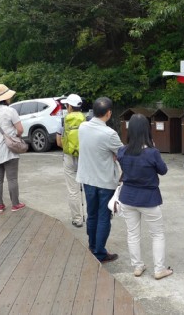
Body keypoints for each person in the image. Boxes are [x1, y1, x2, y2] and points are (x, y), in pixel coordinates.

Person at [117, 114, 173, 280]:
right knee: (157, 234)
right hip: (149, 199)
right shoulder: (152, 152)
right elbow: (163, 170)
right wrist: (152, 148)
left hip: (127, 197)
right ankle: (159, 269)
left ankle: (137, 266)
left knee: (132, 233)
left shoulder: (122, 151)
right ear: (147, 130)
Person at [76, 97, 123, 263]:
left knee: (92, 214)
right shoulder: (110, 134)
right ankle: (100, 252)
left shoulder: (82, 127)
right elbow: (121, 153)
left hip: (87, 179)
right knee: (104, 216)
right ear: (109, 113)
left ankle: (92, 246)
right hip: (104, 181)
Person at [0, 84, 26, 212]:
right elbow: (20, 130)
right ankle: (15, 204)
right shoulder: (10, 111)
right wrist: (15, 136)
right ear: (5, 98)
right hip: (9, 150)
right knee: (12, 178)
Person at [56, 94, 86, 228]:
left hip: (69, 157)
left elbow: (58, 142)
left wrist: (69, 148)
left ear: (69, 106)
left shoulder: (63, 121)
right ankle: (90, 216)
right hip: (85, 157)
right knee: (88, 188)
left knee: (73, 190)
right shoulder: (87, 120)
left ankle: (77, 219)